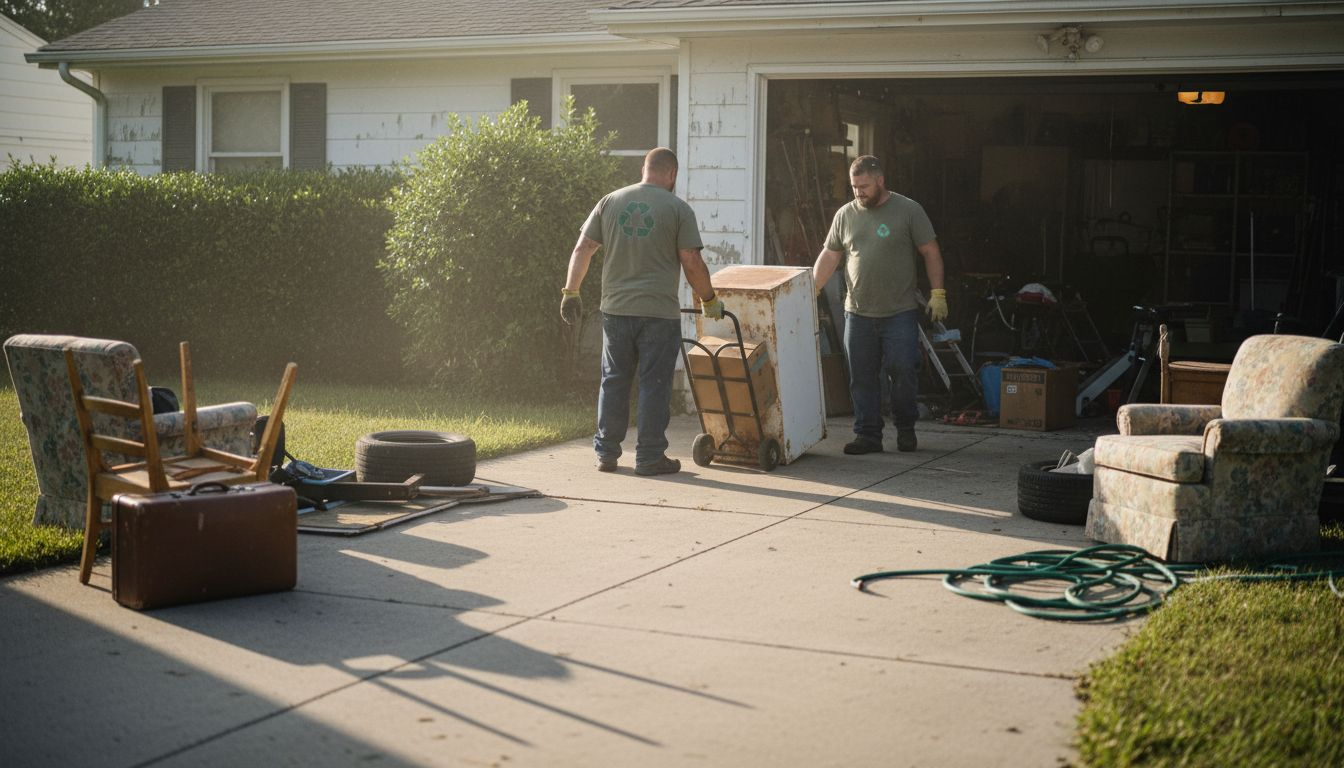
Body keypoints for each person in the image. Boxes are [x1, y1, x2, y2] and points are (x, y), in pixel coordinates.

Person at [560, 147, 724, 476]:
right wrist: (708, 299)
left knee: (614, 379)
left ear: (643, 168)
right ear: (672, 174)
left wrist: (571, 291)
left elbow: (583, 248)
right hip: (658, 314)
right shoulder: (678, 208)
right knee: (654, 383)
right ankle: (649, 457)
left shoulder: (610, 201)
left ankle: (606, 453)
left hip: (616, 311)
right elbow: (692, 260)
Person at [812, 155, 948, 455]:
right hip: (857, 313)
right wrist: (811, 290)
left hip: (899, 312)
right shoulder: (845, 215)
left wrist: (938, 292)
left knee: (903, 370)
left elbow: (930, 251)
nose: (858, 192)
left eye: (864, 186)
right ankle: (868, 435)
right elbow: (830, 255)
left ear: (880, 181)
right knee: (861, 376)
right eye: (854, 187)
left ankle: (906, 428)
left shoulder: (908, 210)